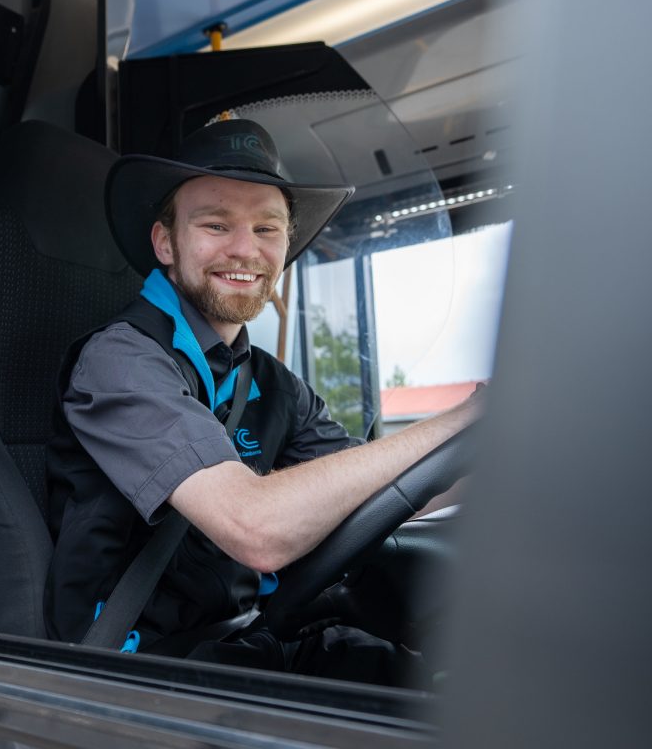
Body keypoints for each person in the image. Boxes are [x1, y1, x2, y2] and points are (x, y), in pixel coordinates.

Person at [44, 118, 480, 683]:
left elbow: (393, 489)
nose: (246, 249)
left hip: (257, 636)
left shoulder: (272, 384)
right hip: (146, 672)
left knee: (469, 694)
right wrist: (464, 419)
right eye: (216, 223)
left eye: (267, 229)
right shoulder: (120, 362)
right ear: (165, 243)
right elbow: (256, 528)